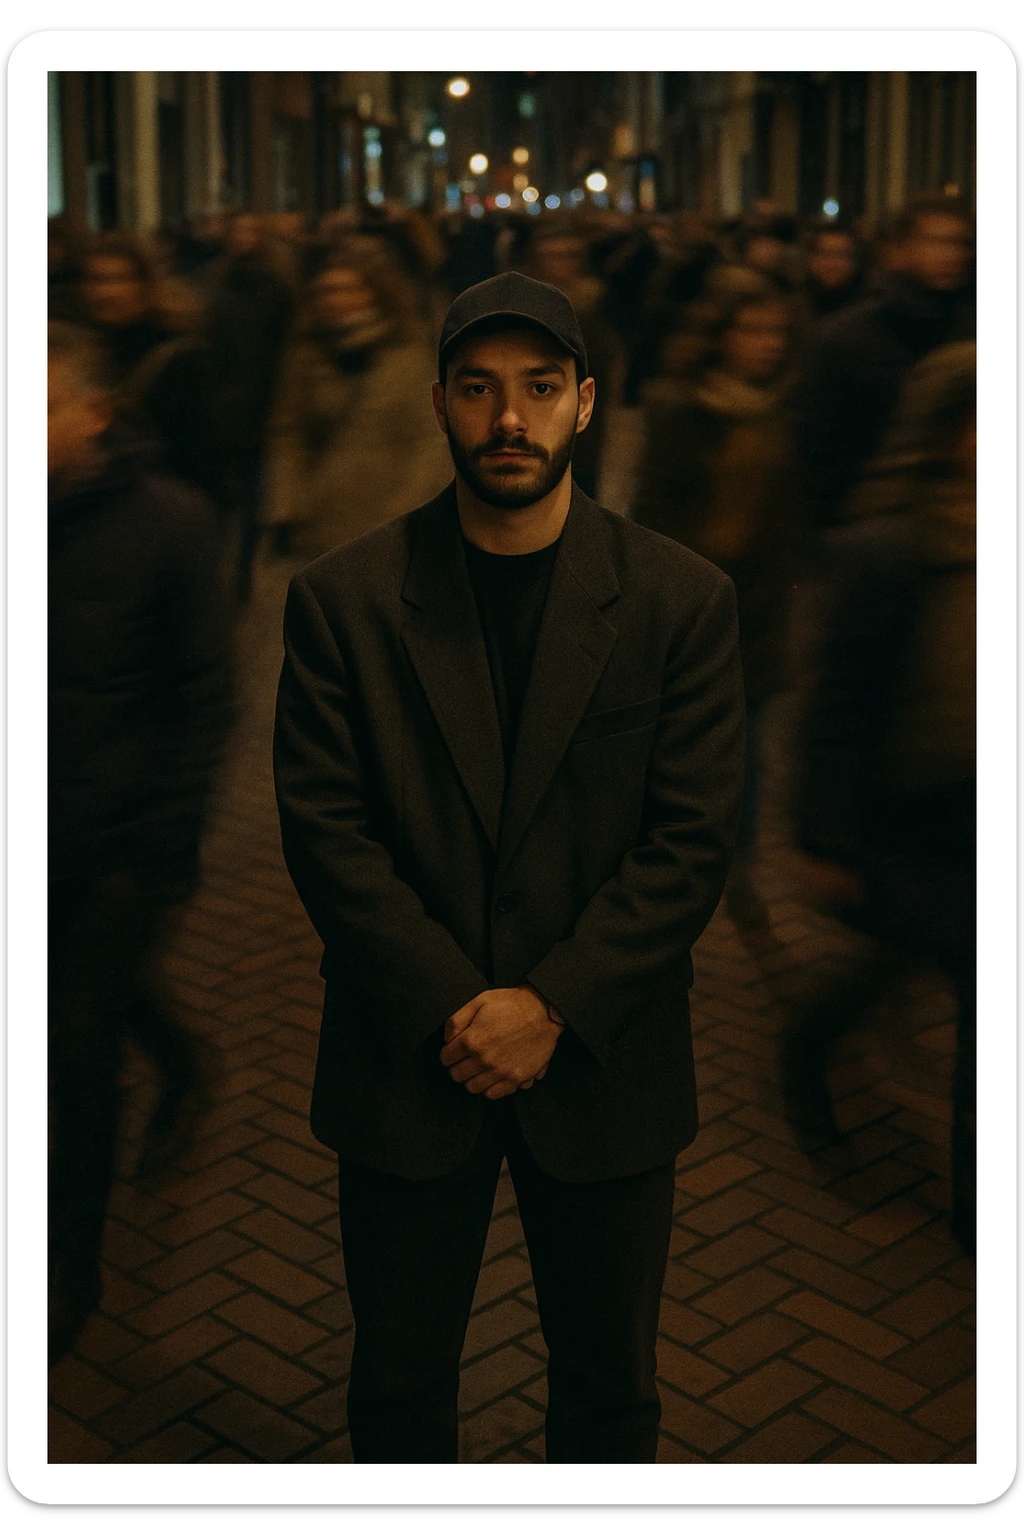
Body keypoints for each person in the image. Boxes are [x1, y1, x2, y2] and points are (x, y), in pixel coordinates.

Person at [273, 271, 746, 1464]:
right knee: (395, 1388)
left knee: (608, 1395)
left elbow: (691, 838)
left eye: (539, 388)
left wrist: (554, 1006)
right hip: (408, 1056)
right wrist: (462, 1006)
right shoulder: (344, 602)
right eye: (479, 389)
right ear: (438, 402)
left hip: (604, 1062)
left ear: (586, 403)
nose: (508, 420)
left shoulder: (679, 602)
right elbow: (327, 830)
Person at [48, 323, 232, 1362]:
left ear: (94, 415)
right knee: (97, 1002)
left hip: (122, 836)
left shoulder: (171, 523)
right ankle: (182, 1055)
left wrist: (168, 842)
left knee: (72, 1044)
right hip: (40, 832)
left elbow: (205, 698)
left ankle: (74, 1257)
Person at [782, 342, 976, 1254]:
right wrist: (824, 835)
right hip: (903, 814)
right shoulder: (886, 550)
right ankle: (811, 1042)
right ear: (946, 434)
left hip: (979, 816)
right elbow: (837, 709)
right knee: (895, 959)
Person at [632, 282, 797, 927]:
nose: (763, 346)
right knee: (679, 732)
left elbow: (783, 523)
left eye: (774, 333)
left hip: (756, 611)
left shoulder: (779, 410)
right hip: (693, 602)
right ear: (723, 335)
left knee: (749, 737)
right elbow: (654, 511)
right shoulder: (680, 409)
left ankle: (738, 858)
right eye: (751, 331)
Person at [791, 192, 974, 533]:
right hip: (864, 532)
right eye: (937, 241)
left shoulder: (972, 335)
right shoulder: (845, 339)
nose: (952, 254)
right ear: (899, 249)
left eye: (961, 243)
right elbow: (818, 458)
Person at [261, 257, 449, 561]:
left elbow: (428, 443)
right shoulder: (305, 356)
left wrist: (407, 515)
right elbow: (287, 433)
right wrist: (287, 505)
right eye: (325, 290)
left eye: (347, 289)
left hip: (391, 520)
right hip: (321, 521)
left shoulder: (407, 357)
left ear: (373, 292)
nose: (334, 299)